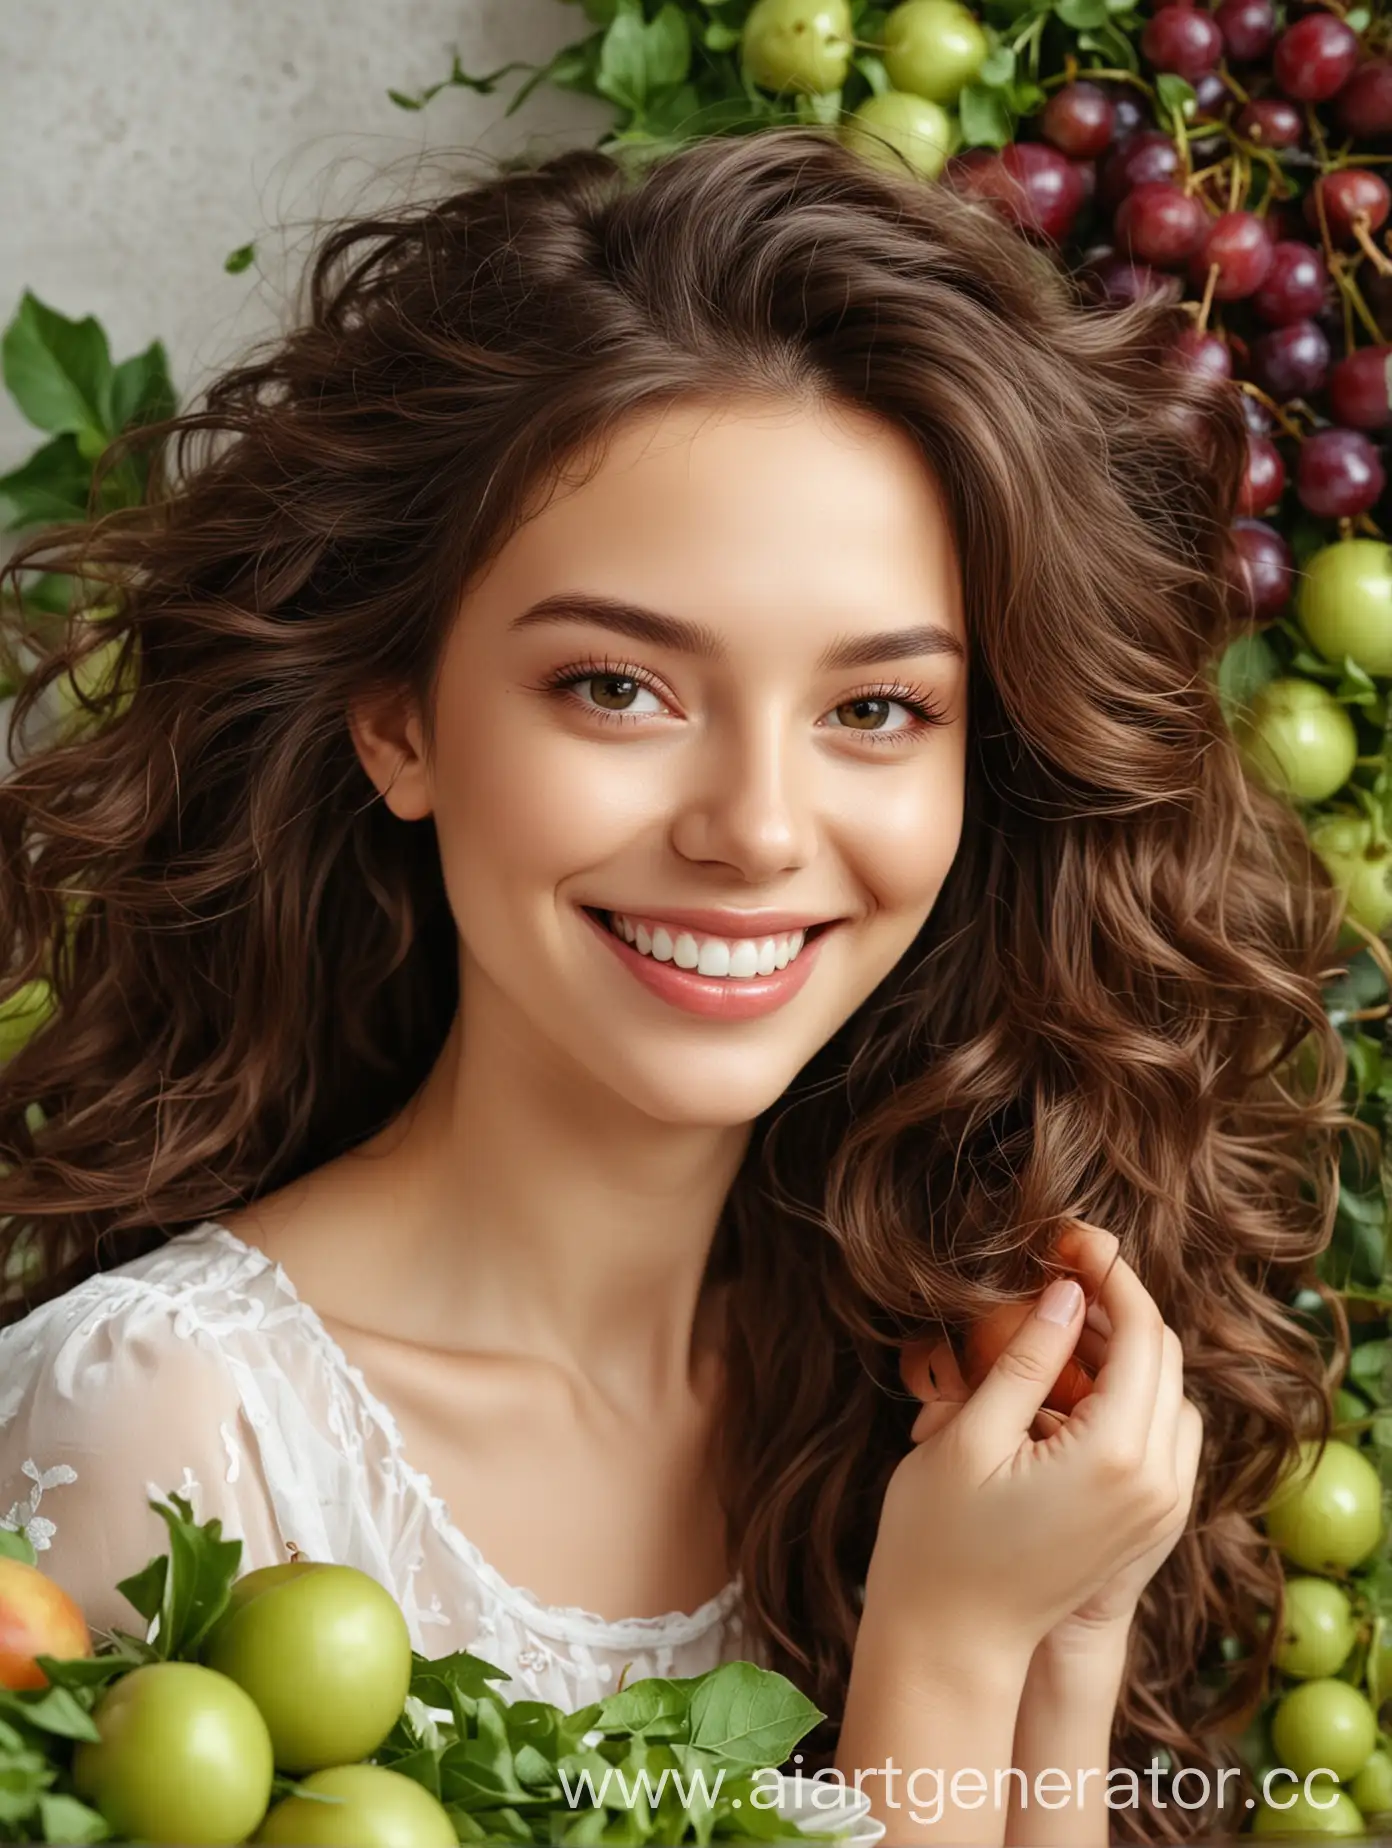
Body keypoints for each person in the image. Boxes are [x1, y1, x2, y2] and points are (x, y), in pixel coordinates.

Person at [0, 125, 1354, 1845]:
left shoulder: (932, 1385)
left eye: (875, 709)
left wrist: (1068, 1641)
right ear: (400, 718)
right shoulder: (160, 1429)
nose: (757, 832)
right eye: (620, 687)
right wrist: (948, 1647)